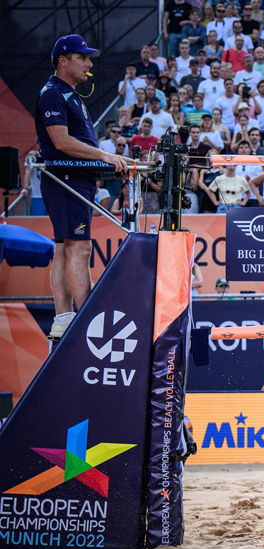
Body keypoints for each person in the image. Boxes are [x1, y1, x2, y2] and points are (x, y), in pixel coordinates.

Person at [37, 35, 130, 338]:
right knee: (79, 247)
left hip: (74, 180)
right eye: (83, 58)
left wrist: (103, 162)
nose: (89, 64)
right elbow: (61, 142)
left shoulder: (71, 95)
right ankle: (87, 322)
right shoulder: (53, 93)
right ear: (63, 60)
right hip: (66, 180)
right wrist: (104, 154)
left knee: (64, 249)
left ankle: (65, 318)